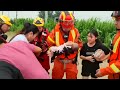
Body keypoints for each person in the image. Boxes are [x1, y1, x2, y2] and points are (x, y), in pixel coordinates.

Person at [47, 11, 83, 79]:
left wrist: (75, 46)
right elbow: (49, 44)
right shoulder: (55, 31)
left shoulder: (75, 31)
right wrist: (52, 50)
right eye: (65, 27)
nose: (67, 28)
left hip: (71, 62)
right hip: (59, 61)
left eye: (69, 27)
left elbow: (80, 45)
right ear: (60, 23)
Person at [95, 11, 120, 79]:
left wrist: (104, 71)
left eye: (118, 20)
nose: (115, 23)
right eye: (114, 19)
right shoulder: (117, 35)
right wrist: (104, 57)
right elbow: (114, 54)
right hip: (113, 75)